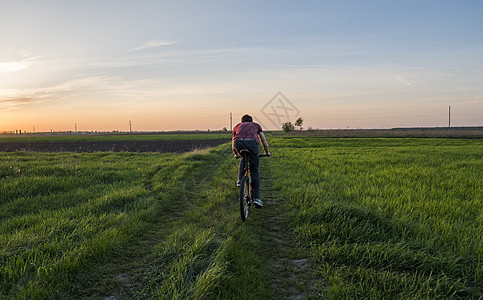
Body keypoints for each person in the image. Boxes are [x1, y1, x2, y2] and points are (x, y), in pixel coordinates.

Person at [232, 114, 270, 208]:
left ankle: (240, 180)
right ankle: (256, 199)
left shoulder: (237, 126)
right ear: (251, 121)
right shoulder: (256, 125)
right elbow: (263, 141)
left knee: (243, 158)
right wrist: (267, 152)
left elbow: (233, 144)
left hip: (238, 143)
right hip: (252, 144)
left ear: (242, 121)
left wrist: (236, 154)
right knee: (254, 170)